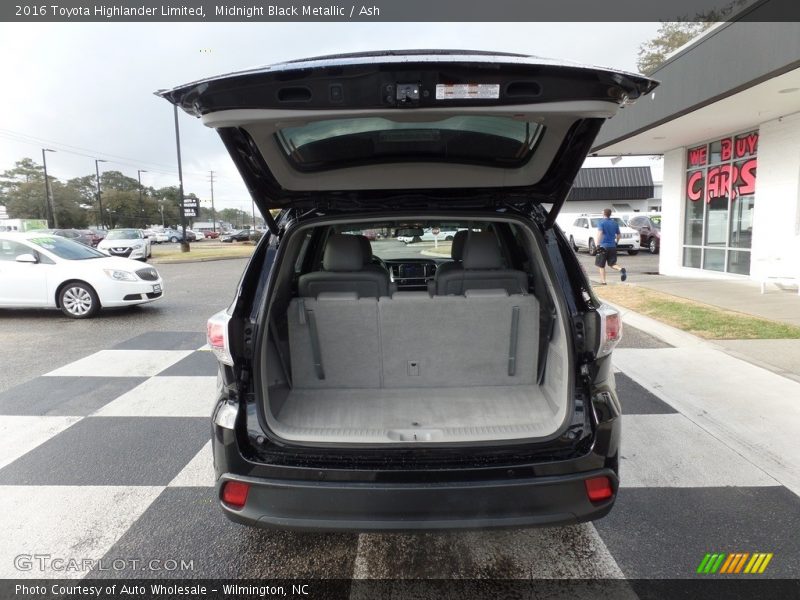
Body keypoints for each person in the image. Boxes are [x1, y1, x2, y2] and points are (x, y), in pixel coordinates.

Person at [595, 208, 627, 285]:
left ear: (604, 214)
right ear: (610, 214)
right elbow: (619, 235)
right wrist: (616, 242)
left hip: (603, 246)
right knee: (612, 264)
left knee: (601, 265)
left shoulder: (601, 223)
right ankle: (621, 269)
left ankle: (603, 281)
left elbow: (599, 234)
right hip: (612, 246)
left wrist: (597, 245)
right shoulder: (615, 223)